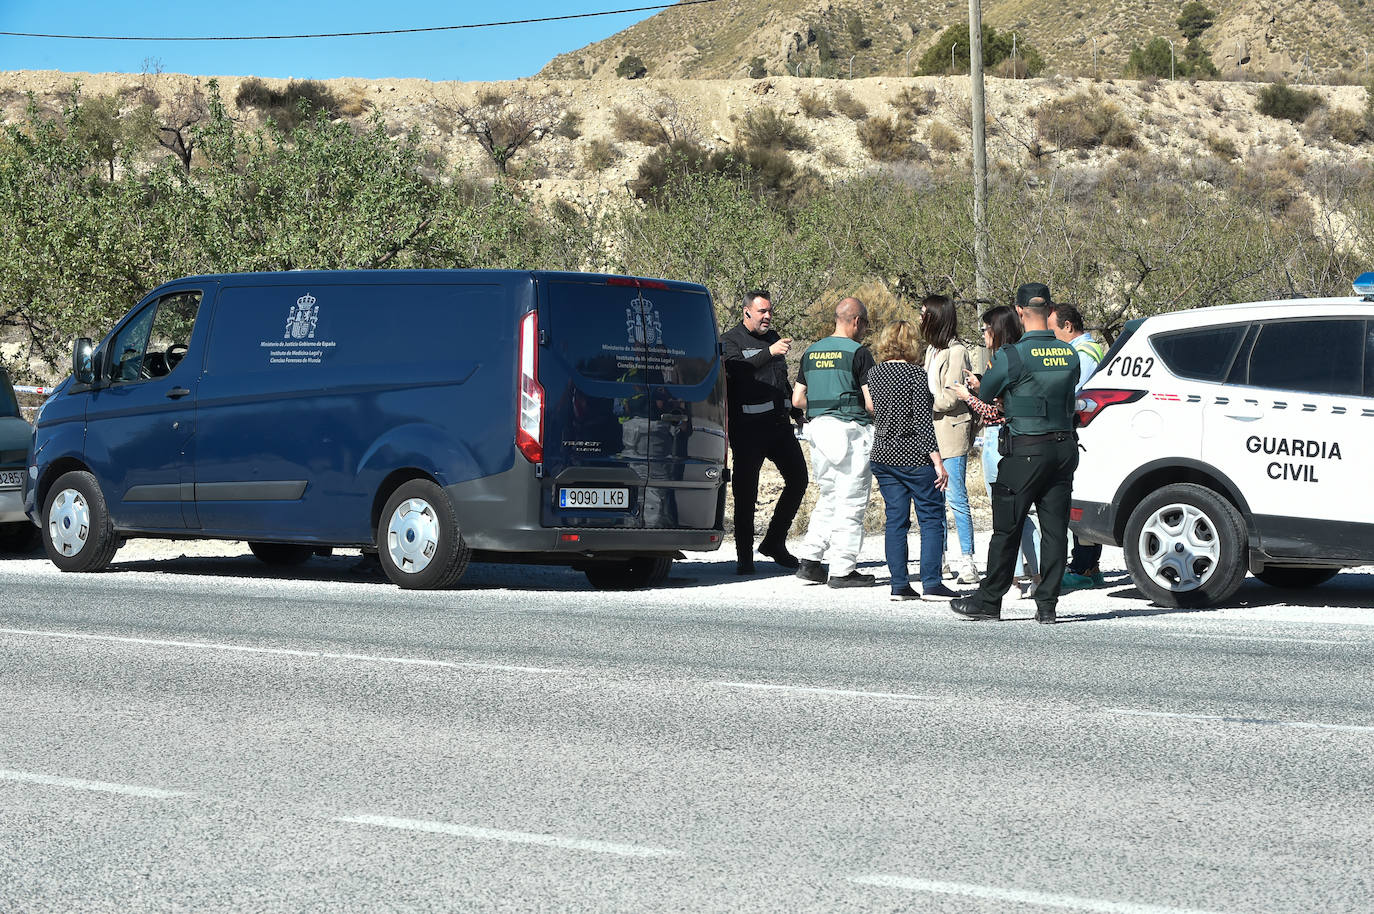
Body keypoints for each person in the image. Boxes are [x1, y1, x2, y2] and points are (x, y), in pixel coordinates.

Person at [949, 283, 1079, 624]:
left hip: (1026, 451)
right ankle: (1047, 605)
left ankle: (990, 600)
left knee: (1007, 528)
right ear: (1050, 311)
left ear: (1019, 312)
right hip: (1064, 449)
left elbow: (990, 392)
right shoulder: (1070, 353)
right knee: (1054, 529)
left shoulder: (1013, 355)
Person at [864, 320, 958, 601]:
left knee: (895, 520)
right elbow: (922, 423)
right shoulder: (916, 375)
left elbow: (870, 407)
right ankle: (931, 583)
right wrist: (938, 461)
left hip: (882, 453)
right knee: (931, 518)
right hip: (913, 456)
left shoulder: (874, 373)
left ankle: (899, 585)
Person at [955, 305, 1041, 597]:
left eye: (985, 327)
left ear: (998, 328)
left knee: (1004, 513)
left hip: (998, 441)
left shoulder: (1001, 360)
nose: (983, 334)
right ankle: (1039, 573)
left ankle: (1013, 579)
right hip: (1022, 440)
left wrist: (969, 396)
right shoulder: (1022, 357)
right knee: (1023, 512)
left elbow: (995, 412)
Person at [720, 290, 808, 574]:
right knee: (746, 493)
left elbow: (780, 380)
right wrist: (768, 353)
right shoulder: (729, 340)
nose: (768, 316)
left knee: (799, 479)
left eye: (770, 311)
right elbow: (734, 370)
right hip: (747, 430)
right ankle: (744, 557)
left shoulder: (774, 337)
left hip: (778, 427)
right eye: (762, 312)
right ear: (746, 312)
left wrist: (796, 411)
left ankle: (774, 542)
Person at [792, 297, 876, 588]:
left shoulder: (811, 352)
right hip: (850, 433)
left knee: (827, 499)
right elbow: (871, 404)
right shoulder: (859, 353)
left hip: (819, 433)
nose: (865, 329)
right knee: (851, 502)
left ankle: (810, 561)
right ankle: (842, 569)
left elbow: (797, 399)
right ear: (855, 321)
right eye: (864, 323)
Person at [919, 294, 979, 586]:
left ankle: (967, 561)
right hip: (931, 431)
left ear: (936, 317)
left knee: (956, 497)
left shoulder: (957, 352)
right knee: (934, 498)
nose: (920, 319)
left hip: (952, 431)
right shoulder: (931, 350)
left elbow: (952, 396)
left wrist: (921, 404)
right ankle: (938, 558)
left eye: (923, 314)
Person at [1049, 302, 1109, 592]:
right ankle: (1088, 567)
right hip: (1086, 435)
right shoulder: (1091, 349)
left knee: (1078, 501)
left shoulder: (1083, 356)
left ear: (1068, 326)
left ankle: (1084, 567)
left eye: (1053, 330)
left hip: (1082, 435)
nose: (1051, 337)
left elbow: (1073, 394)